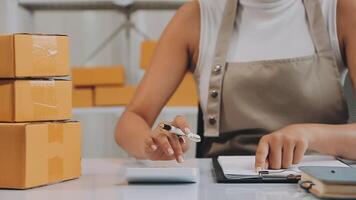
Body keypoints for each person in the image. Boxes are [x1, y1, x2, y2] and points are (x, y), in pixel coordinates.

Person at [116, 0, 356, 169]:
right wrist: (151, 145)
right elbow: (131, 120)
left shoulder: (341, 12)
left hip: (323, 184)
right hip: (223, 188)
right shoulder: (196, 18)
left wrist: (308, 135)